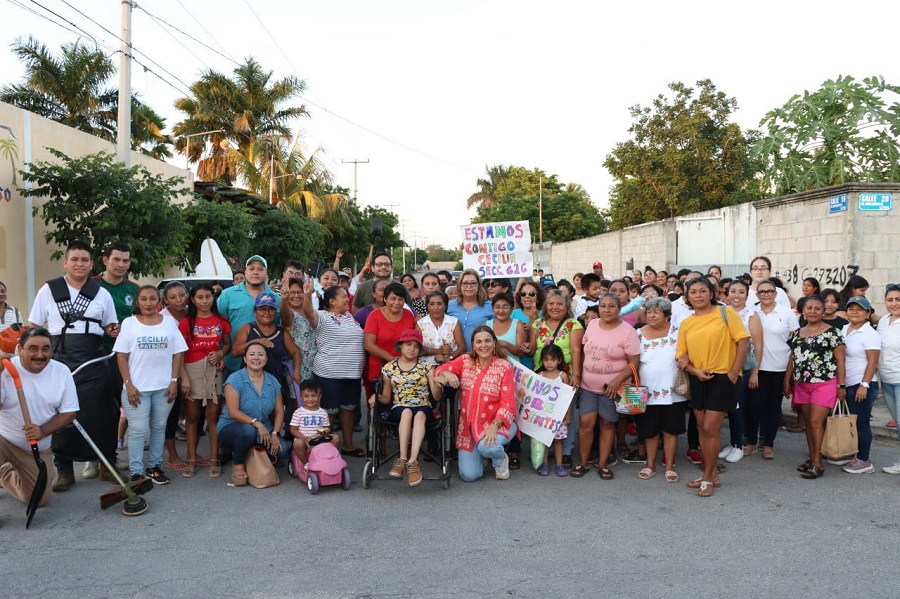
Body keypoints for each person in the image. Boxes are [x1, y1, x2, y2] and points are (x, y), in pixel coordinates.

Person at [28, 240, 119, 492]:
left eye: (85, 260)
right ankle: (64, 471)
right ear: (65, 262)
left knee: (101, 414)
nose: (80, 264)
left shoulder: (102, 293)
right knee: (60, 417)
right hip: (58, 361)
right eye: (75, 259)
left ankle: (105, 464)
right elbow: (34, 326)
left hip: (93, 361)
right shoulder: (49, 290)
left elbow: (110, 327)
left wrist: (113, 330)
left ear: (91, 264)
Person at [675, 277, 750, 497]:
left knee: (710, 427)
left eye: (702, 291)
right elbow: (681, 354)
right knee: (700, 426)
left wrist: (733, 373)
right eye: (693, 292)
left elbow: (744, 341)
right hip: (698, 377)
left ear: (711, 293)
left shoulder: (725, 313)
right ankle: (712, 474)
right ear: (687, 297)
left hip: (723, 378)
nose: (698, 295)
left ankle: (707, 476)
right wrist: (694, 371)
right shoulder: (687, 323)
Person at [114, 285, 188, 485]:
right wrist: (128, 384)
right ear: (138, 302)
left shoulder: (169, 323)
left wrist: (174, 381)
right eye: (144, 299)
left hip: (164, 388)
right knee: (138, 430)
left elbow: (178, 352)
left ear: (159, 301)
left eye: (152, 299)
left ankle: (154, 467)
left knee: (159, 428)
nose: (148, 303)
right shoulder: (129, 323)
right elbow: (121, 356)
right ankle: (137, 472)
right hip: (137, 389)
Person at [0, 327, 78, 508]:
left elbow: (70, 412)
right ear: (20, 349)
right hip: (3, 438)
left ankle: (5, 474)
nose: (40, 355)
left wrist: (42, 430)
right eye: (33, 348)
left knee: (39, 500)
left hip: (35, 448)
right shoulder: (6, 368)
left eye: (46, 349)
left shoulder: (61, 372)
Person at [434, 326, 517, 482]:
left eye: (487, 341)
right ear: (473, 344)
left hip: (498, 424)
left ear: (494, 343)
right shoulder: (466, 360)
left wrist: (494, 425)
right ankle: (483, 456)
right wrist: (447, 373)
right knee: (469, 476)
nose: (483, 345)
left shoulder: (504, 367)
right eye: (478, 342)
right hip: (470, 426)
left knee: (488, 447)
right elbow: (441, 369)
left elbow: (509, 403)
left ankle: (500, 460)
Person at [573, 293, 640, 480]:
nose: (606, 310)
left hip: (612, 388)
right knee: (586, 424)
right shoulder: (592, 325)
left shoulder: (628, 331)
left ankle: (603, 463)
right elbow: (585, 352)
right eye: (603, 306)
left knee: (607, 423)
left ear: (619, 309)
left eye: (611, 306)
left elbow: (634, 362)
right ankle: (583, 462)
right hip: (587, 385)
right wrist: (579, 375)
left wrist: (617, 381)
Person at [299, 279, 366, 456]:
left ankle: (348, 445)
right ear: (331, 301)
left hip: (352, 375)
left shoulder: (350, 318)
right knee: (328, 413)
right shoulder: (322, 316)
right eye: (343, 296)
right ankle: (324, 449)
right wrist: (307, 295)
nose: (347, 299)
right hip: (329, 373)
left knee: (349, 409)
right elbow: (307, 312)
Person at [784, 295, 846, 479]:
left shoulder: (832, 332)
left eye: (817, 308)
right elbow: (792, 358)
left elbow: (841, 360)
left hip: (824, 384)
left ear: (823, 311)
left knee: (815, 422)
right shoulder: (797, 332)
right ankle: (812, 458)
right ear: (803, 310)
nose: (813, 311)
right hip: (801, 384)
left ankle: (818, 464)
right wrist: (787, 380)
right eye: (809, 308)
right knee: (808, 425)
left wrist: (841, 386)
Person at [369, 328, 441, 486]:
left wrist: (437, 382)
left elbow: (436, 397)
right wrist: (376, 396)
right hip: (400, 407)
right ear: (400, 346)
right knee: (407, 412)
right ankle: (402, 458)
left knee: (420, 415)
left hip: (423, 405)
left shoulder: (427, 367)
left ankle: (412, 462)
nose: (412, 349)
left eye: (416, 346)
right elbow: (387, 397)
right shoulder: (390, 367)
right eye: (408, 344)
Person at [217, 341, 288, 486]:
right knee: (247, 432)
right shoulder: (235, 379)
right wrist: (257, 424)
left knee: (283, 450)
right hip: (233, 426)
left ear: (266, 359)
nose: (256, 358)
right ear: (244, 358)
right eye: (252, 354)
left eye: (261, 354)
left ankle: (251, 451)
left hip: (264, 428)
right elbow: (233, 411)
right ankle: (238, 464)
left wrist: (275, 433)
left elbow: (280, 410)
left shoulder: (272, 381)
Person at [178, 283, 231, 478]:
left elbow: (227, 344)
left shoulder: (221, 320)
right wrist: (183, 377)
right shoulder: (186, 322)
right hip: (191, 371)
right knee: (192, 417)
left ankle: (214, 458)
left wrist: (220, 354)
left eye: (208, 297)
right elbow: (180, 352)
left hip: (214, 371)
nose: (204, 301)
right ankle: (191, 459)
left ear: (213, 298)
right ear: (192, 299)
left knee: (213, 417)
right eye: (199, 297)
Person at [633, 298, 687, 482]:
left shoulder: (678, 331)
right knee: (649, 431)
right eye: (649, 312)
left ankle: (670, 466)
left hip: (673, 392)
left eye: (656, 312)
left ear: (667, 316)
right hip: (646, 392)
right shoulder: (638, 333)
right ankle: (650, 465)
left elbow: (687, 351)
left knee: (671, 430)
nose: (652, 315)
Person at [743, 279, 799, 460]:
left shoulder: (786, 312)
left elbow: (793, 342)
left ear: (776, 294)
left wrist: (788, 376)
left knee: (773, 407)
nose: (766, 294)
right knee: (753, 406)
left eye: (770, 291)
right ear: (757, 295)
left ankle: (768, 444)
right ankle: (751, 441)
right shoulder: (752, 312)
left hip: (778, 368)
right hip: (755, 368)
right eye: (762, 292)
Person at [529, 289, 584, 467]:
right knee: (544, 411)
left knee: (566, 414)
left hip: (564, 376)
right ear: (545, 306)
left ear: (567, 307)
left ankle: (566, 451)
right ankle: (545, 449)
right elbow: (531, 349)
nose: (555, 307)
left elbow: (576, 350)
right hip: (541, 377)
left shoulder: (573, 325)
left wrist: (576, 374)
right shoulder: (537, 324)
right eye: (551, 303)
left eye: (559, 303)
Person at [217, 255, 280, 377]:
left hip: (264, 363)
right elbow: (218, 326)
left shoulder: (276, 299)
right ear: (245, 272)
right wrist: (220, 353)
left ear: (266, 273)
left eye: (260, 269)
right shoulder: (227, 295)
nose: (255, 272)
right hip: (231, 362)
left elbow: (278, 326)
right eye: (251, 269)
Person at [839, 296, 881, 474]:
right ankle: (853, 454)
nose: (854, 312)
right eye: (851, 308)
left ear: (868, 313)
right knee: (851, 422)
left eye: (860, 309)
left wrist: (864, 384)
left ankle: (864, 460)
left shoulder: (869, 333)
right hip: (847, 384)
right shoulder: (844, 329)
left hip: (862, 384)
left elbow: (873, 362)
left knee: (861, 423)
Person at [722, 280, 763, 463]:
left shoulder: (751, 315)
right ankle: (732, 442)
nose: (736, 295)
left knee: (738, 407)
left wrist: (755, 372)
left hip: (744, 369)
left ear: (747, 295)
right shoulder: (722, 312)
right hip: (725, 366)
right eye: (733, 291)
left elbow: (758, 346)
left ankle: (740, 445)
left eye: (741, 292)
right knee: (730, 408)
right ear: (727, 294)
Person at [364, 282, 418, 390]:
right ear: (385, 299)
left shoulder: (408, 315)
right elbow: (369, 345)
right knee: (379, 403)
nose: (397, 302)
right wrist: (392, 359)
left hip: (405, 369)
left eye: (401, 299)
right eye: (393, 299)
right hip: (380, 369)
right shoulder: (374, 316)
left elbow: (415, 339)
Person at [161, 281, 190, 471]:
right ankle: (172, 454)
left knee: (192, 412)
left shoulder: (193, 311)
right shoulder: (162, 319)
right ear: (165, 300)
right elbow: (173, 351)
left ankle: (193, 453)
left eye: (181, 295)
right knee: (170, 413)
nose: (178, 300)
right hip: (170, 370)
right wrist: (181, 377)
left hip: (194, 366)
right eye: (172, 297)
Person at [534, 344, 571, 477]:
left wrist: (568, 415)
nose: (549, 363)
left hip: (559, 415)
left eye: (552, 359)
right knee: (544, 440)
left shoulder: (563, 376)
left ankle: (559, 465)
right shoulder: (540, 375)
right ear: (542, 360)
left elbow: (567, 397)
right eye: (546, 360)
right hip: (544, 415)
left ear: (559, 360)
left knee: (558, 441)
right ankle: (544, 464)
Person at [289, 379, 340, 463]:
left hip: (320, 440)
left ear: (319, 397)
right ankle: (306, 463)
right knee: (298, 443)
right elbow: (293, 430)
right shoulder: (298, 412)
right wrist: (306, 438)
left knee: (336, 438)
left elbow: (327, 428)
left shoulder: (323, 412)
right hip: (305, 441)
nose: (310, 399)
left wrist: (325, 431)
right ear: (301, 397)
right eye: (306, 396)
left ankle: (331, 459)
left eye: (313, 396)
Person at [878, 284, 900, 474]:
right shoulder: (884, 320)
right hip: (886, 379)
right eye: (890, 300)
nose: (894, 304)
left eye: (898, 299)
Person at [446, 269, 493, 351]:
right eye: (465, 283)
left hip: (481, 354)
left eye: (473, 283)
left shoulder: (490, 306)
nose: (469, 286)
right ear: (459, 286)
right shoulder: (450, 305)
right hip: (455, 355)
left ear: (479, 285)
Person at [280, 277, 316, 382]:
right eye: (292, 292)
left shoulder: (313, 314)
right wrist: (284, 299)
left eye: (299, 292)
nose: (296, 296)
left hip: (316, 370)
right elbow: (285, 314)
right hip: (297, 371)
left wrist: (308, 295)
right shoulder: (291, 315)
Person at [417, 290, 465, 365]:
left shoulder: (453, 322)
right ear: (427, 306)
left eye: (439, 304)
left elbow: (462, 347)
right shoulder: (420, 324)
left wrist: (449, 358)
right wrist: (437, 351)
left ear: (445, 306)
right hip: (425, 366)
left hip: (449, 365)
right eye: (432, 304)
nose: (436, 308)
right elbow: (418, 348)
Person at [511, 281, 544, 370]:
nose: (527, 296)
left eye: (532, 294)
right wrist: (532, 321)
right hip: (518, 365)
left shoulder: (545, 314)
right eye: (523, 294)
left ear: (538, 297)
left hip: (541, 364)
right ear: (520, 297)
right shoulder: (513, 314)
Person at [486, 292, 526, 364]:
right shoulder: (486, 325)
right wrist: (497, 349)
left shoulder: (518, 324)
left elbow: (521, 352)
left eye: (505, 307)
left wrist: (505, 344)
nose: (501, 311)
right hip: (491, 370)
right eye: (497, 307)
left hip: (513, 370)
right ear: (493, 309)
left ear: (511, 309)